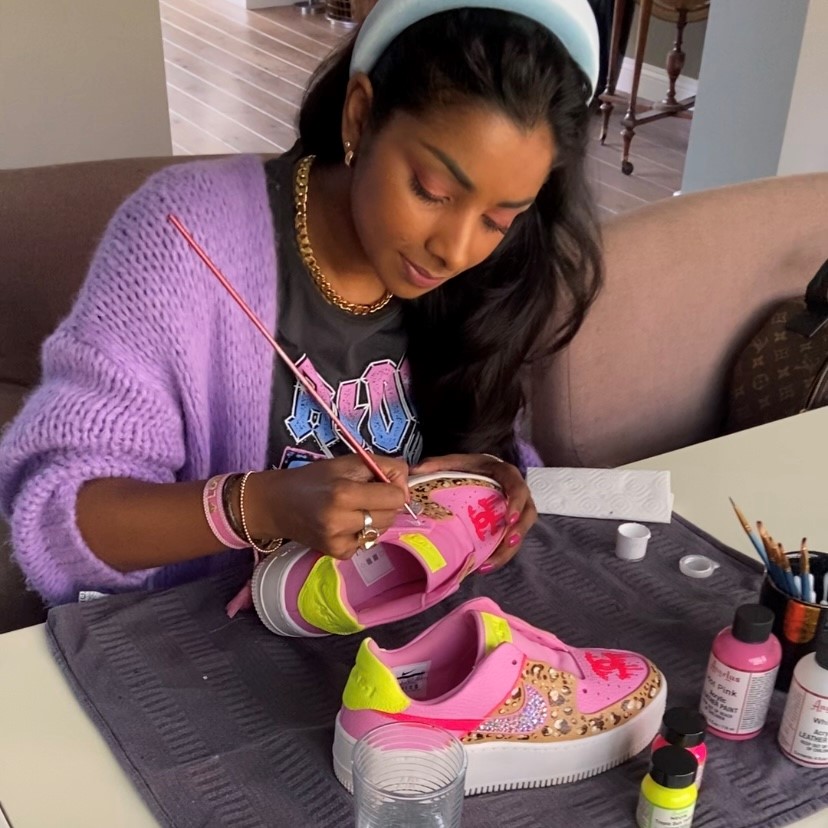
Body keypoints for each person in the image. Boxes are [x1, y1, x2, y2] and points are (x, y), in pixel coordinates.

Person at [0, 0, 603, 608]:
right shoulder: (182, 239)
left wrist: (483, 482)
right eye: (431, 190)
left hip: (402, 630)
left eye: (498, 219)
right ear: (361, 115)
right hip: (205, 641)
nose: (454, 249)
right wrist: (260, 505)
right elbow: (56, 517)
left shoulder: (489, 280)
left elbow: (476, 447)